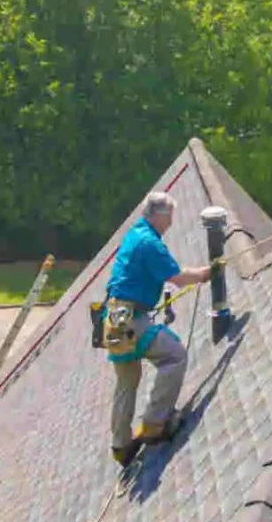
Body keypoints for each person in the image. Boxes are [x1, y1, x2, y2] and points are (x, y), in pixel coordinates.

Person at [104, 191, 222, 466]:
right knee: (175, 356)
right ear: (158, 214)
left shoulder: (134, 235)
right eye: (169, 216)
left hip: (113, 319)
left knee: (126, 381)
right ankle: (156, 424)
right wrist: (208, 273)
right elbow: (178, 278)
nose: (171, 223)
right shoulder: (149, 243)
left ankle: (120, 446)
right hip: (132, 318)